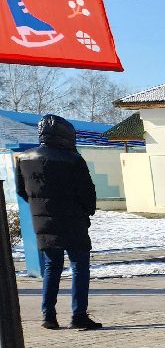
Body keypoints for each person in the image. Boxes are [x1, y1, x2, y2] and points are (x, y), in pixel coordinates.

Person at [14, 114, 101, 331]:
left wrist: (40, 208)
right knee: (79, 266)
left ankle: (49, 316)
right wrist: (87, 212)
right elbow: (87, 192)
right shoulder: (72, 159)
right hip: (73, 221)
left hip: (43, 222)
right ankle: (78, 314)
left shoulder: (24, 159)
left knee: (52, 266)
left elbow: (21, 191)